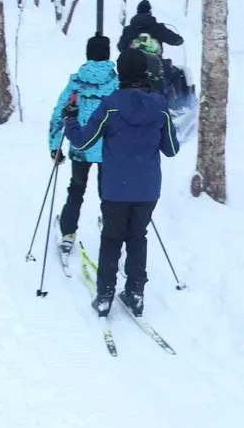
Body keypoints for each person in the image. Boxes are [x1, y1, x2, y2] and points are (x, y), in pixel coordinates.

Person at [62, 48, 179, 318]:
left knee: (112, 237)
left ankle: (104, 295)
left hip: (115, 187)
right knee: (138, 237)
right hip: (147, 188)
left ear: (122, 72)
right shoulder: (159, 104)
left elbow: (83, 141)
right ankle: (135, 293)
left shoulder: (111, 103)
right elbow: (171, 148)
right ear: (145, 72)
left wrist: (70, 119)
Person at [48, 34, 119, 258]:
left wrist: (54, 145)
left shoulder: (77, 82)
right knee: (108, 193)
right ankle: (112, 232)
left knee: (76, 190)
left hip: (81, 146)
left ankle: (68, 233)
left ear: (88, 54)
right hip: (109, 149)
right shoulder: (117, 82)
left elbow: (59, 112)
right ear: (108, 54)